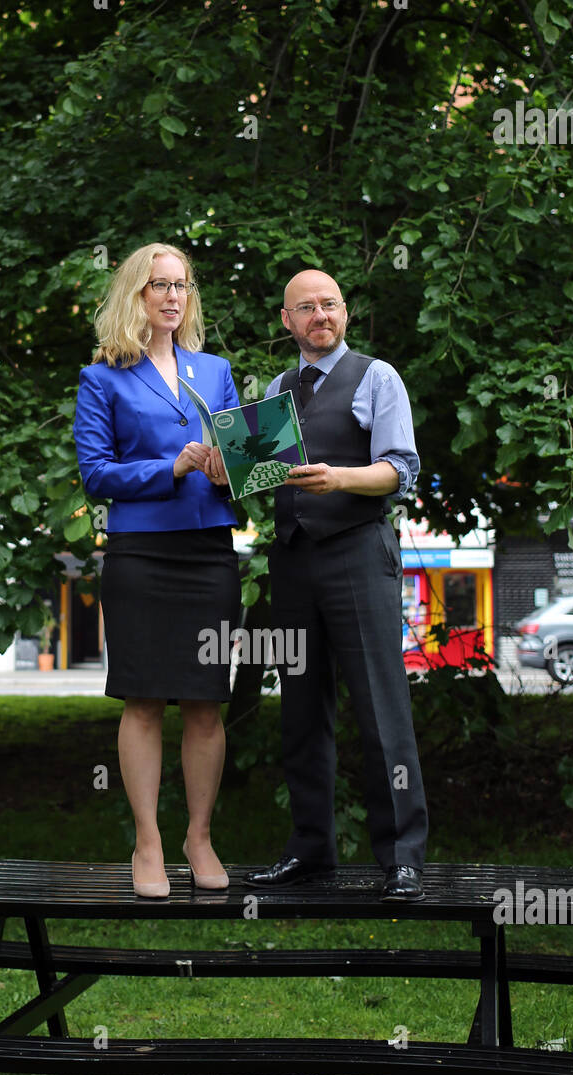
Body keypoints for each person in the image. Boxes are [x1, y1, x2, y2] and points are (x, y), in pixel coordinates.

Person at [221, 267, 428, 900]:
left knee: (380, 709)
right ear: (287, 322)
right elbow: (252, 478)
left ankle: (402, 858)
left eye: (330, 304)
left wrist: (340, 478)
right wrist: (223, 462)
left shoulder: (377, 376)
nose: (321, 315)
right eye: (306, 307)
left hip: (359, 555)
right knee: (302, 713)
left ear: (344, 312)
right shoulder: (277, 389)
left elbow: (401, 471)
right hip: (292, 560)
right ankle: (311, 851)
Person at [73, 242, 241, 898]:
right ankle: (148, 840)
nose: (172, 296)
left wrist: (231, 474)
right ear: (135, 294)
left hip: (208, 552)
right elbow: (95, 474)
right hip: (140, 553)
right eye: (158, 285)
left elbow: (238, 465)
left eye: (181, 285)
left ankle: (199, 838)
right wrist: (167, 468)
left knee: (205, 701)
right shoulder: (103, 377)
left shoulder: (216, 370)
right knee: (143, 699)